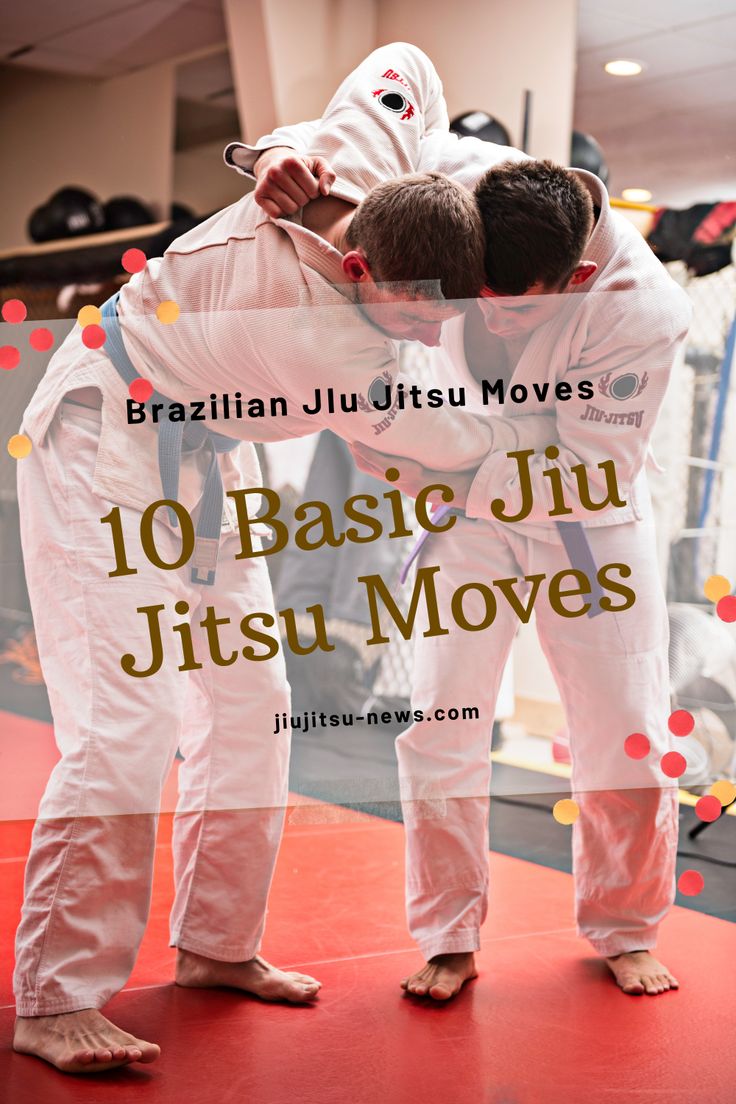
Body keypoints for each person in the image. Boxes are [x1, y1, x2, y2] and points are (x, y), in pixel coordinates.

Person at [13, 43, 561, 1075]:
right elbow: (456, 439)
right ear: (358, 269)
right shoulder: (334, 349)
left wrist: (294, 149)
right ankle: (55, 997)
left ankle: (215, 944)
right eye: (419, 316)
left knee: (248, 699)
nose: (431, 336)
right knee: (126, 721)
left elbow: (404, 62)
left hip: (198, 452)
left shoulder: (364, 164)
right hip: (99, 435)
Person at [229, 42, 692, 1002]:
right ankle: (448, 932)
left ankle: (625, 925)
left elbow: (582, 467)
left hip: (587, 522)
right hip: (465, 513)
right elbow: (368, 117)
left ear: (568, 286)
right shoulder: (466, 183)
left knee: (624, 729)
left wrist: (428, 464)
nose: (471, 319)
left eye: (505, 312)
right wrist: (285, 152)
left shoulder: (642, 312)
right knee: (439, 723)